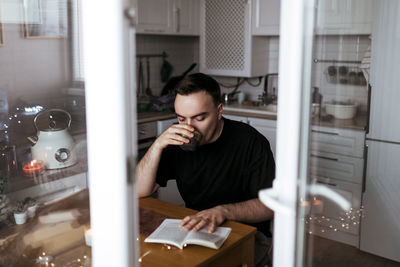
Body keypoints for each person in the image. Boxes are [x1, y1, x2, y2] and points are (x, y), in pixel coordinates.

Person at [137, 73, 275, 266]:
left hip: (246, 234)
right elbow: (139, 190)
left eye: (199, 118)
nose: (189, 128)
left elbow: (270, 206)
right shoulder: (177, 140)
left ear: (219, 111)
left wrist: (223, 211)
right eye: (181, 119)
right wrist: (158, 144)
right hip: (196, 230)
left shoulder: (251, 142)